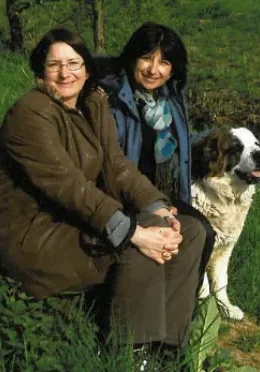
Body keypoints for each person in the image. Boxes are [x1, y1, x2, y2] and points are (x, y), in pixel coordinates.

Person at [0, 27, 206, 369]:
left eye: (74, 63)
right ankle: (128, 353)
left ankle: (166, 348)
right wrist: (134, 231)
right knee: (137, 245)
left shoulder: (92, 104)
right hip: (37, 235)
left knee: (191, 230)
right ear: (40, 70)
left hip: (74, 219)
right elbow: (68, 188)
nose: (65, 73)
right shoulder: (30, 114)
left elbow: (118, 167)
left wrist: (158, 207)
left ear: (87, 67)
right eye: (54, 65)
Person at [98, 21, 215, 285]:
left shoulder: (170, 97)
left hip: (167, 191)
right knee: (163, 237)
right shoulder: (111, 99)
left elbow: (181, 145)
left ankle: (184, 303)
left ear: (174, 68)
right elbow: (111, 161)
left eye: (164, 62)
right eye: (147, 58)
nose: (154, 70)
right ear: (132, 58)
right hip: (125, 194)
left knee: (204, 233)